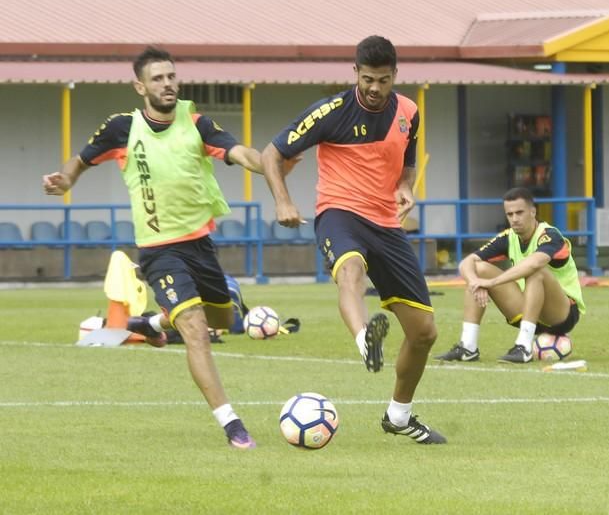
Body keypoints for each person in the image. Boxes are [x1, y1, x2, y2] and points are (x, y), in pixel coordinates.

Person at [43, 46, 265, 449]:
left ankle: (152, 323)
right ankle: (232, 423)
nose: (168, 84)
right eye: (158, 78)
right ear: (139, 86)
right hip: (159, 250)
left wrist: (270, 164)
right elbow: (82, 158)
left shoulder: (197, 123)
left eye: (171, 77)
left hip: (201, 244)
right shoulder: (122, 128)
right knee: (196, 330)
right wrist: (67, 180)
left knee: (222, 317)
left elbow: (240, 153)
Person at [261, 35, 446, 445]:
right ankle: (366, 340)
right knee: (351, 274)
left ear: (395, 75)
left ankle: (399, 416)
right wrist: (283, 201)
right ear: (355, 74)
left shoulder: (409, 112)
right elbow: (271, 154)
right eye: (367, 79)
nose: (375, 88)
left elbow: (408, 162)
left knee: (424, 332)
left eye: (383, 79)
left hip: (386, 223)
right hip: (339, 213)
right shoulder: (330, 111)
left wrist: (406, 186)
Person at [435, 187, 586, 364]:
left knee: (536, 272)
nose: (514, 219)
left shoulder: (550, 236)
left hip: (562, 313)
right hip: (528, 308)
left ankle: (523, 347)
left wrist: (492, 282)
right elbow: (466, 262)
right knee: (478, 269)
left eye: (520, 212)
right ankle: (468, 346)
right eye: (510, 214)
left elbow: (534, 263)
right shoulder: (508, 237)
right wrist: (476, 282)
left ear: (533, 212)